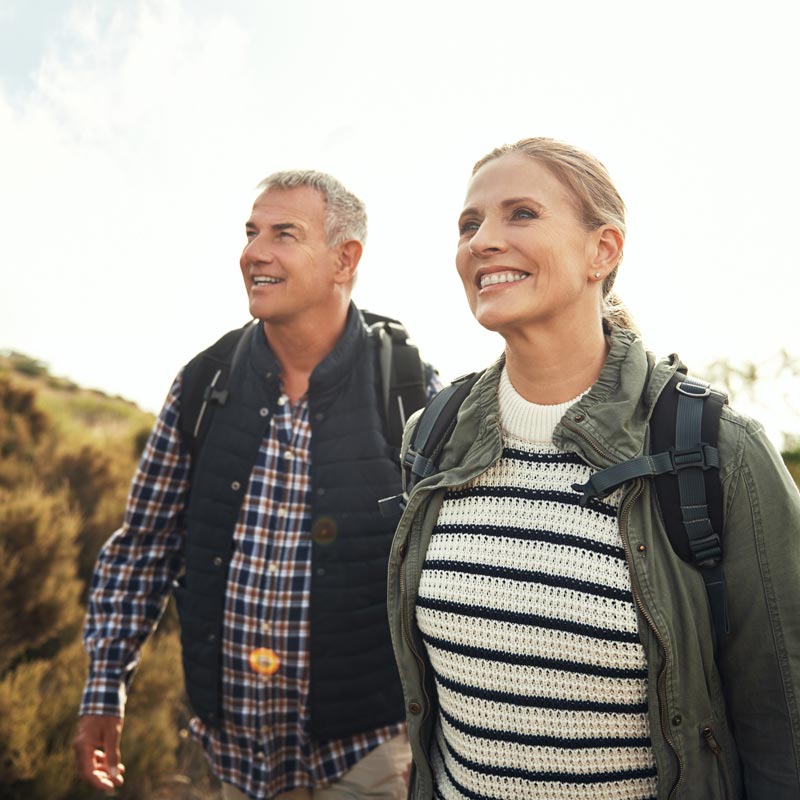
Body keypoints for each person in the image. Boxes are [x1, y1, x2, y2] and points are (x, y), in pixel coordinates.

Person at [388, 138, 800, 799]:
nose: (483, 241)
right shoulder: (431, 436)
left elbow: (784, 737)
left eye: (520, 213)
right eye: (470, 224)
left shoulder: (721, 450)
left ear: (602, 251)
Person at [73, 170, 440, 800]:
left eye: (284, 234)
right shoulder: (203, 383)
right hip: (233, 758)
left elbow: (443, 572)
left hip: (370, 755)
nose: (253, 252)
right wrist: (105, 688)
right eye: (251, 232)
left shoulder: (408, 388)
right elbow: (143, 547)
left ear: (344, 259)